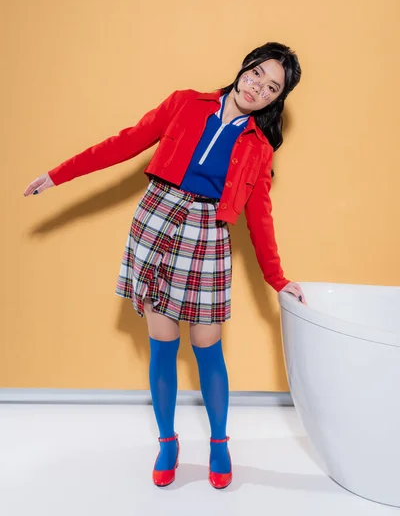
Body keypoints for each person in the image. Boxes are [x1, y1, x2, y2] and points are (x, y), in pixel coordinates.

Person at [24, 41, 306, 490]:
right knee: (162, 343)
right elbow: (125, 143)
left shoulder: (259, 148)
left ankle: (218, 443)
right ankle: (168, 442)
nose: (258, 87)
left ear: (276, 100)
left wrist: (277, 279)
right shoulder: (185, 104)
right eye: (257, 74)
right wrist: (59, 174)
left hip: (209, 232)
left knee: (207, 344)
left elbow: (260, 218)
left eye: (272, 87)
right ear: (244, 67)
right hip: (157, 220)